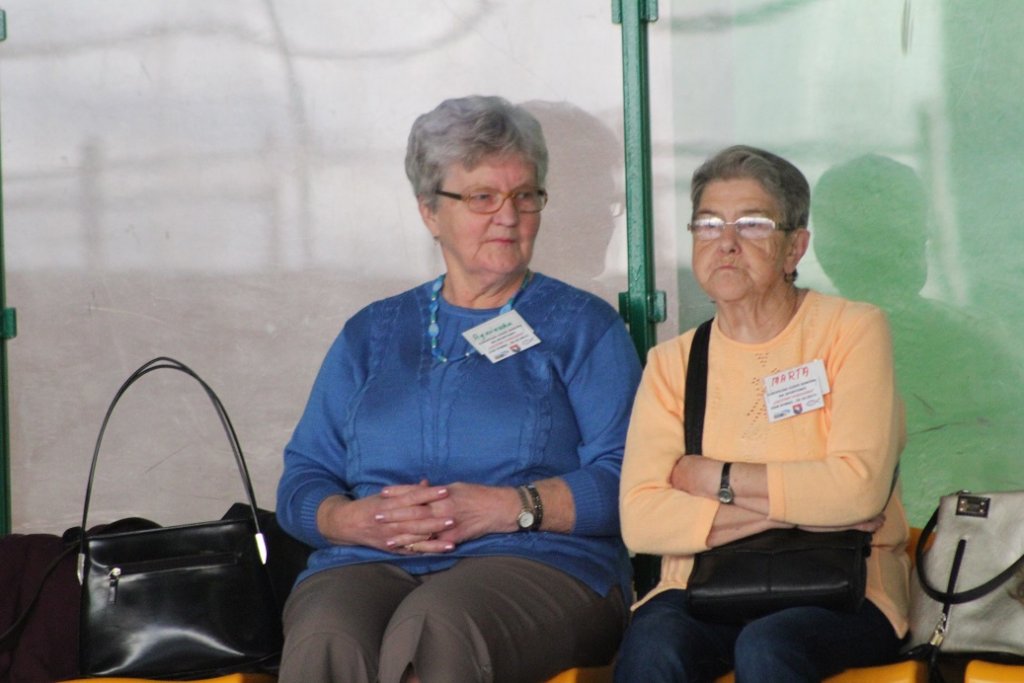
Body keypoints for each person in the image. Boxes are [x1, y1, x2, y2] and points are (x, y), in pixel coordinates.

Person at [275, 95, 642, 683]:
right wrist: (351, 521)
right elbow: (304, 476)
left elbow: (630, 480)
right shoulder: (372, 332)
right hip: (368, 560)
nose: (508, 216)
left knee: (435, 626)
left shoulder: (582, 326)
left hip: (542, 563)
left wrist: (508, 508)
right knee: (327, 634)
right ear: (429, 211)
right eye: (482, 197)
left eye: (525, 196)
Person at [614, 145, 910, 682]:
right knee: (653, 644)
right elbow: (641, 520)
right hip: (704, 585)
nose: (726, 242)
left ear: (795, 247)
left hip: (843, 584)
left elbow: (858, 490)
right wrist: (794, 511)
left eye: (752, 224)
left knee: (768, 645)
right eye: (708, 224)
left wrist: (715, 478)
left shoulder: (852, 330)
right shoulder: (674, 362)